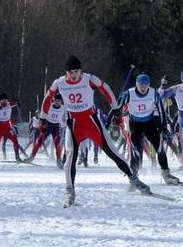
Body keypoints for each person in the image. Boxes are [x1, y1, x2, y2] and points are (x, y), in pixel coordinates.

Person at [41, 55, 150, 208]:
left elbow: (105, 89)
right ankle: (69, 192)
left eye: (76, 71)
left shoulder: (89, 79)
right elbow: (48, 98)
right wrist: (42, 118)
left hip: (92, 122)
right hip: (74, 124)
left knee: (113, 153)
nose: (73, 75)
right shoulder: (60, 82)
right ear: (66, 72)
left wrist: (115, 108)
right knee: (70, 158)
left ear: (81, 70)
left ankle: (134, 179)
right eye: (70, 72)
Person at [119, 73, 180, 185]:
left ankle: (166, 174)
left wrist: (163, 127)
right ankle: (134, 178)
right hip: (135, 125)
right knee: (136, 152)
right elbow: (118, 106)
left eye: (146, 85)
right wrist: (116, 116)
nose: (143, 88)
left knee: (160, 149)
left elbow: (161, 111)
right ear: (137, 85)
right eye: (141, 85)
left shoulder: (153, 93)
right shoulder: (129, 93)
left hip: (149, 124)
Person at [26, 93, 67, 169]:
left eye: (58, 101)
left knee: (58, 144)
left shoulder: (63, 108)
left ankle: (58, 160)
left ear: (61, 101)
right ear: (53, 101)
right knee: (39, 141)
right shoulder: (49, 105)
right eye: (55, 101)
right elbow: (43, 113)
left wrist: (64, 124)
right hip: (47, 125)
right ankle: (31, 157)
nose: (57, 102)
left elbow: (61, 118)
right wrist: (43, 123)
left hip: (55, 126)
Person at [0, 93, 24, 165]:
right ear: (0, 100)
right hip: (0, 127)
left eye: (6, 100)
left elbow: (17, 103)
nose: (5, 102)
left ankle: (17, 157)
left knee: (15, 140)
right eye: (3, 100)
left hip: (7, 127)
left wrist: (18, 103)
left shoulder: (9, 104)